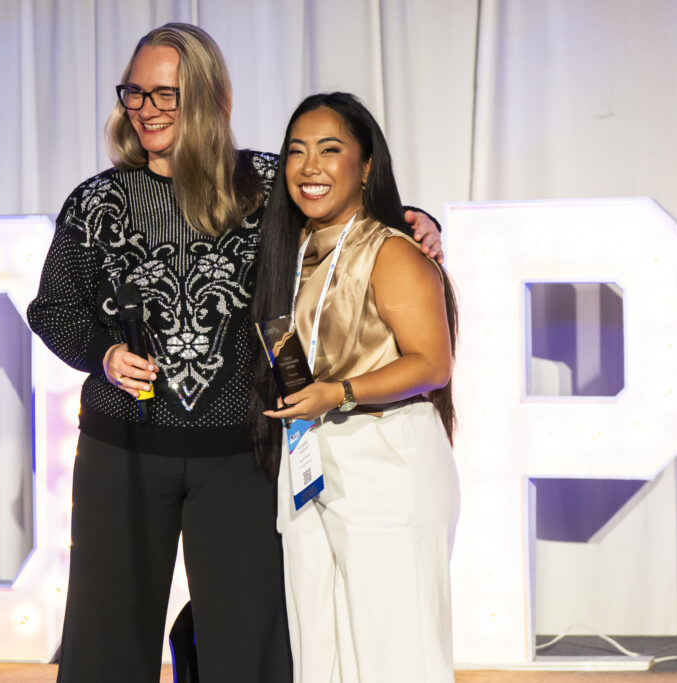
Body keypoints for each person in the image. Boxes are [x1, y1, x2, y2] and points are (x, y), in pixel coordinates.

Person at [27, 24, 443, 683]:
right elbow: (53, 309)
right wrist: (103, 353)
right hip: (122, 449)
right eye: (135, 92)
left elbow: (344, 212)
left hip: (241, 455)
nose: (147, 109)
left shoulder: (268, 183)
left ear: (211, 96)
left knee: (248, 644)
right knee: (105, 641)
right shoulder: (95, 201)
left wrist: (418, 219)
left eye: (167, 93)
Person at [249, 92, 461, 683]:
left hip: (386, 458)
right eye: (296, 152)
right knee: (322, 655)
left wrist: (338, 393)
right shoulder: (290, 251)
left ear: (366, 167)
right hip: (309, 458)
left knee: (397, 657)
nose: (309, 167)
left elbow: (433, 363)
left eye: (329, 149)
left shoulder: (391, 251)